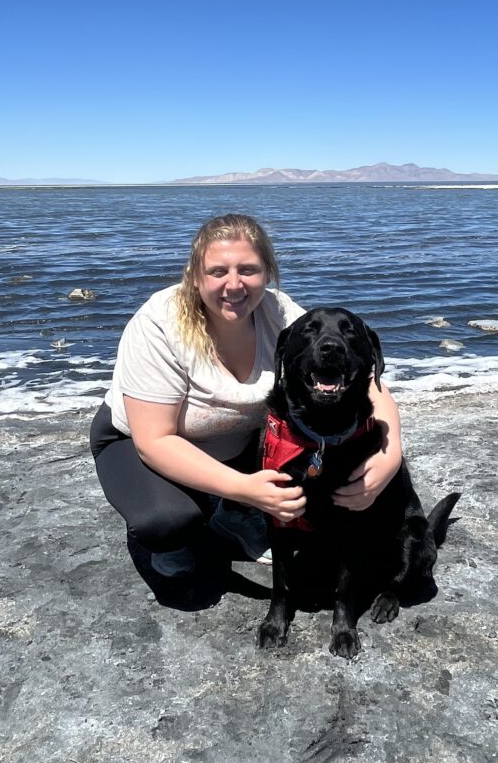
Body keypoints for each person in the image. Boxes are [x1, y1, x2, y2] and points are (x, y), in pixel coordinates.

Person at [90, 213, 403, 584]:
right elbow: (155, 441)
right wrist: (246, 487)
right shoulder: (159, 324)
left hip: (239, 441)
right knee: (168, 521)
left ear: (267, 273)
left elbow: (365, 381)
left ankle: (234, 513)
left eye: (248, 270)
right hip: (142, 444)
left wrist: (390, 456)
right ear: (194, 275)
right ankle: (198, 519)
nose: (234, 284)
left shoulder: (279, 312)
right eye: (218, 271)